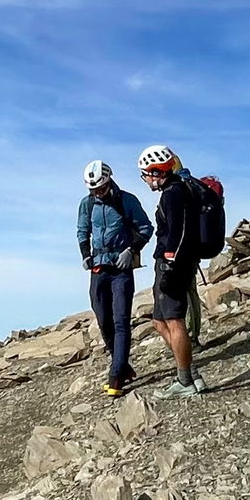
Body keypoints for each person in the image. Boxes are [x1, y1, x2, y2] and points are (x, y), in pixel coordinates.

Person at [77, 159, 153, 397]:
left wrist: (131, 250)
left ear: (109, 181)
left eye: (100, 188)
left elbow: (146, 228)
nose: (97, 193)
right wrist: (85, 255)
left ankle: (116, 377)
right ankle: (123, 366)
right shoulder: (87, 204)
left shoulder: (126, 200)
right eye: (92, 190)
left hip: (121, 270)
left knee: (121, 321)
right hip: (98, 269)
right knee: (103, 321)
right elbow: (82, 230)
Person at [138, 145, 205, 396]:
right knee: (158, 321)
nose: (145, 179)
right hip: (179, 262)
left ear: (156, 172)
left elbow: (177, 232)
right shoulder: (179, 190)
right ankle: (187, 369)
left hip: (174, 264)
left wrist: (169, 262)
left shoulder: (173, 194)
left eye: (145, 174)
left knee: (174, 320)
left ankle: (185, 381)